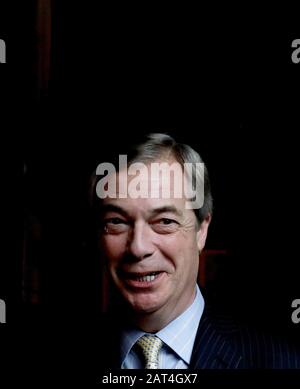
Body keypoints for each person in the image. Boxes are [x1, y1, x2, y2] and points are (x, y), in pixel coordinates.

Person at [89, 132, 300, 369]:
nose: (138, 247)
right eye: (117, 221)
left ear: (202, 230)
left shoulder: (278, 361)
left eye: (165, 221)